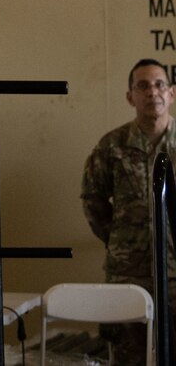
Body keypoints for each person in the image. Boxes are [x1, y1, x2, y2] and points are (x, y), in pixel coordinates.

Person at [82, 57, 176, 366]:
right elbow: (93, 200)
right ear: (130, 96)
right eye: (143, 86)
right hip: (128, 275)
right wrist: (120, 241)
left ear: (171, 93)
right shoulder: (112, 146)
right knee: (127, 357)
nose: (153, 92)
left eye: (160, 84)